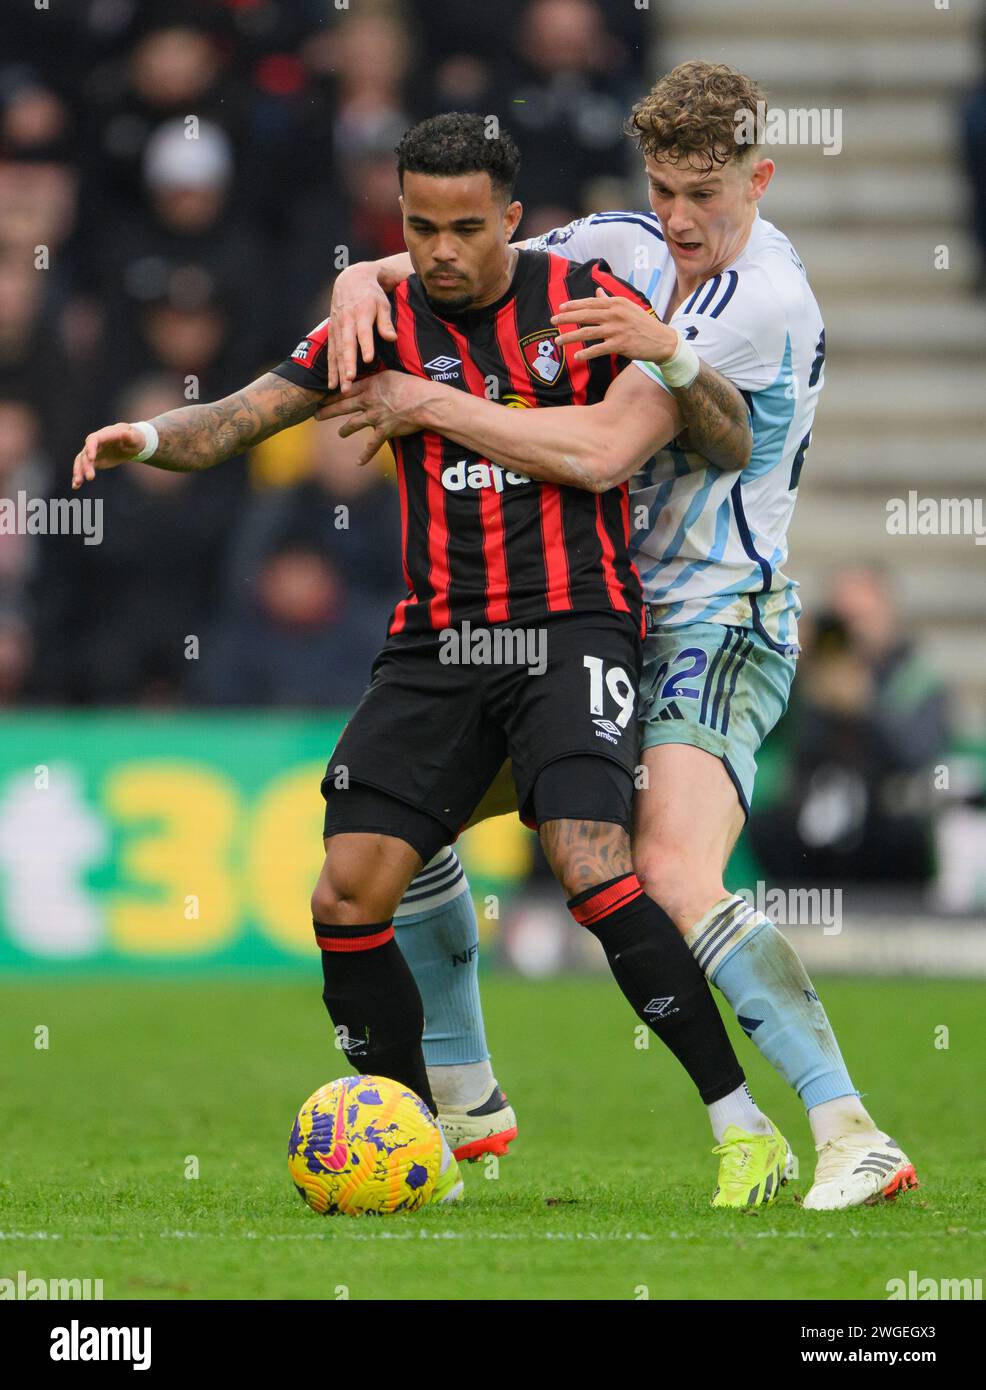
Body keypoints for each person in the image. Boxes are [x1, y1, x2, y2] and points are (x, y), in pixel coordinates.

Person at [71, 111, 794, 1210]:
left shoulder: (578, 302)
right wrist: (151, 442)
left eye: (465, 227)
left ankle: (743, 1126)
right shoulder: (378, 316)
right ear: (399, 222)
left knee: (592, 857)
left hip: (572, 623)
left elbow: (728, 437)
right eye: (420, 227)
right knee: (347, 887)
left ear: (510, 218)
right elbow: (237, 419)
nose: (443, 250)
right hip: (438, 641)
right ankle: (418, 1141)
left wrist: (676, 356)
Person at [321, 65, 918, 1212]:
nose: (683, 220)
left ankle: (849, 1129)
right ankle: (464, 1088)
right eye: (664, 191)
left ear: (760, 177)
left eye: (707, 193)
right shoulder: (621, 240)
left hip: (713, 612)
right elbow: (469, 256)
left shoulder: (761, 300)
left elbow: (599, 452)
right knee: (405, 824)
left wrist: (429, 403)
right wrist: (363, 275)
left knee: (672, 870)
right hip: (594, 611)